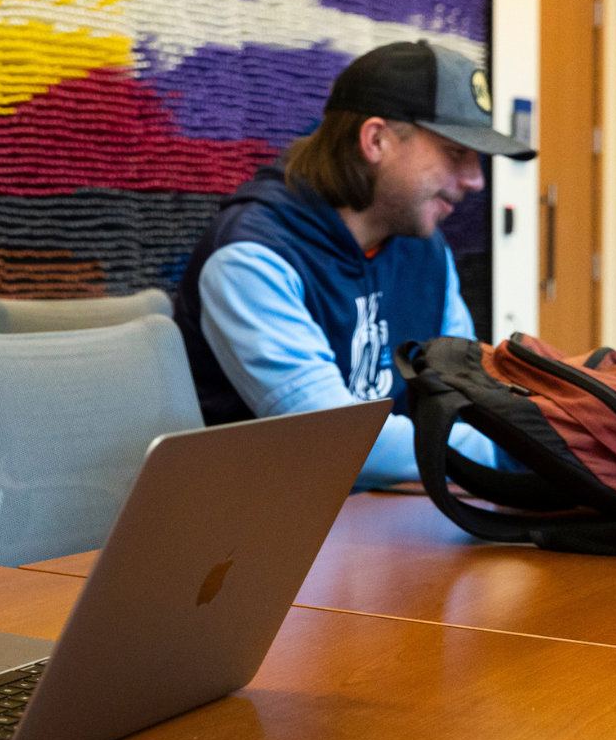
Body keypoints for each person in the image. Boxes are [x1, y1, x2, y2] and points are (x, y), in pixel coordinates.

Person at [173, 40, 536, 485]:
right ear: (376, 140)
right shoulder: (251, 258)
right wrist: (520, 451)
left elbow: (466, 388)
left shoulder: (425, 247)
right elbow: (336, 439)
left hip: (392, 515)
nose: (476, 179)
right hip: (269, 532)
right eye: (455, 151)